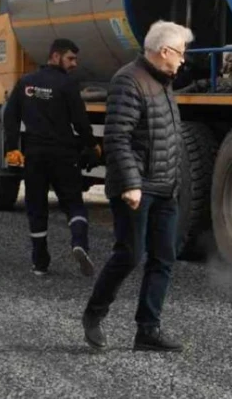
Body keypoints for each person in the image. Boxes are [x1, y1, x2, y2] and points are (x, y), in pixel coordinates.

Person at [81, 20, 193, 353]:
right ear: (165, 51)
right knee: (130, 255)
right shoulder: (129, 81)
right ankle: (93, 315)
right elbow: (117, 137)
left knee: (163, 258)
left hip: (164, 187)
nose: (183, 60)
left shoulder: (162, 81)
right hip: (137, 187)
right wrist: (131, 184)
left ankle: (147, 331)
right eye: (181, 54)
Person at [3, 38, 100, 277]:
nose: (74, 64)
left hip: (34, 155)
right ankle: (79, 243)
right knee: (73, 203)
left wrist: (11, 148)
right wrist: (92, 145)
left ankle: (40, 262)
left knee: (36, 207)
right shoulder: (68, 85)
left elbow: (10, 117)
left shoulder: (25, 83)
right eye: (70, 58)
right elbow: (80, 121)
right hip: (63, 154)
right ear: (55, 57)